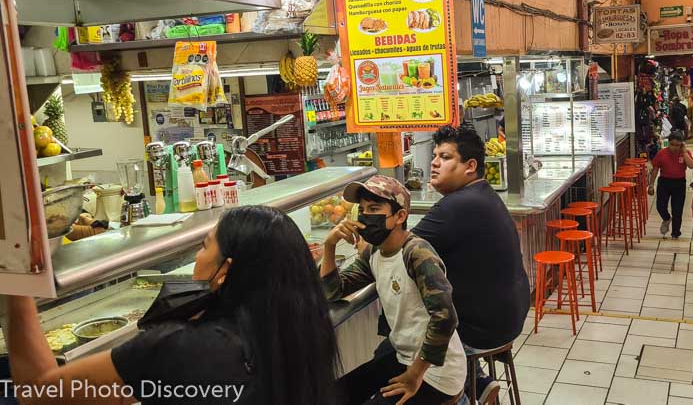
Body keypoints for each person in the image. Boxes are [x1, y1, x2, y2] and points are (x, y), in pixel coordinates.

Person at [4, 205, 338, 404]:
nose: (196, 255)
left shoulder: (179, 347)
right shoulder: (302, 325)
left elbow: (39, 393)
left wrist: (14, 278)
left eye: (204, 246)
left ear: (226, 271)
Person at [321, 176, 465, 405]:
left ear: (400, 216)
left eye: (375, 208)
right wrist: (329, 245)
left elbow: (445, 318)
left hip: (437, 372)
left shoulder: (416, 253)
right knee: (333, 395)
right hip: (403, 357)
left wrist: (415, 375)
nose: (366, 216)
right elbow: (333, 291)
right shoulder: (374, 253)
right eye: (363, 209)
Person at [413, 125, 530, 403]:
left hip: (484, 328)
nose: (434, 162)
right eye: (435, 156)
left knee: (405, 342)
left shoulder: (457, 206)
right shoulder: (481, 195)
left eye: (445, 156)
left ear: (470, 166)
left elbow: (403, 247)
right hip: (508, 317)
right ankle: (477, 380)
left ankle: (458, 394)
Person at [648, 131, 693, 238]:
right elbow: (655, 169)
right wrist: (651, 185)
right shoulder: (662, 153)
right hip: (664, 182)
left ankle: (675, 232)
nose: (674, 147)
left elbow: (691, 165)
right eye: (672, 144)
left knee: (677, 210)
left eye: (677, 145)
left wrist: (683, 152)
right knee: (660, 206)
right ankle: (666, 218)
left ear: (682, 144)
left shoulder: (685, 153)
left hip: (679, 183)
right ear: (668, 143)